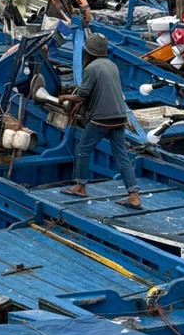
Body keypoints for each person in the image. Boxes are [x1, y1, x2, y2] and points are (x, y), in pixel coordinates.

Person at [58, 33, 141, 208]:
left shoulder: (91, 68)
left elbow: (82, 94)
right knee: (122, 156)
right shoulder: (112, 66)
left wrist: (64, 97)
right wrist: (81, 103)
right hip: (119, 116)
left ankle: (80, 186)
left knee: (83, 149)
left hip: (101, 119)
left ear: (88, 51)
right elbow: (102, 91)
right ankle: (134, 196)